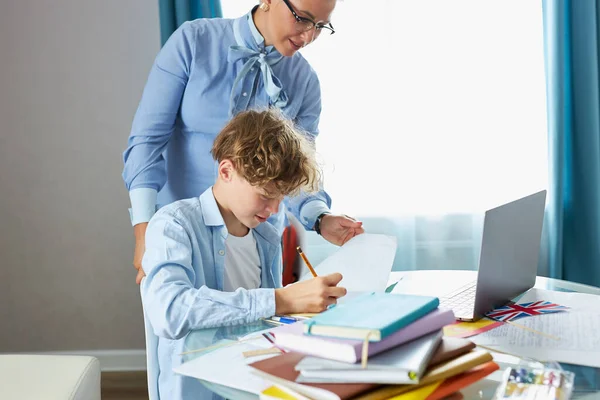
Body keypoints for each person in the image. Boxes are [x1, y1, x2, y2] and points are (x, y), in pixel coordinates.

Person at [123, 0, 364, 284]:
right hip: (182, 236)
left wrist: (321, 219)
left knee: (261, 326)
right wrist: (144, 231)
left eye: (320, 26)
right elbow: (146, 142)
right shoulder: (193, 42)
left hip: (256, 243)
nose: (309, 36)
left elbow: (295, 175)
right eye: (302, 18)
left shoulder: (305, 82)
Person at [141, 108, 347, 400]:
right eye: (265, 195)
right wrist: (280, 300)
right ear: (226, 171)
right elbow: (169, 311)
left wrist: (302, 313)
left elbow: (265, 325)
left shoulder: (266, 236)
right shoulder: (174, 223)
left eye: (281, 198)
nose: (275, 210)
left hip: (254, 385)